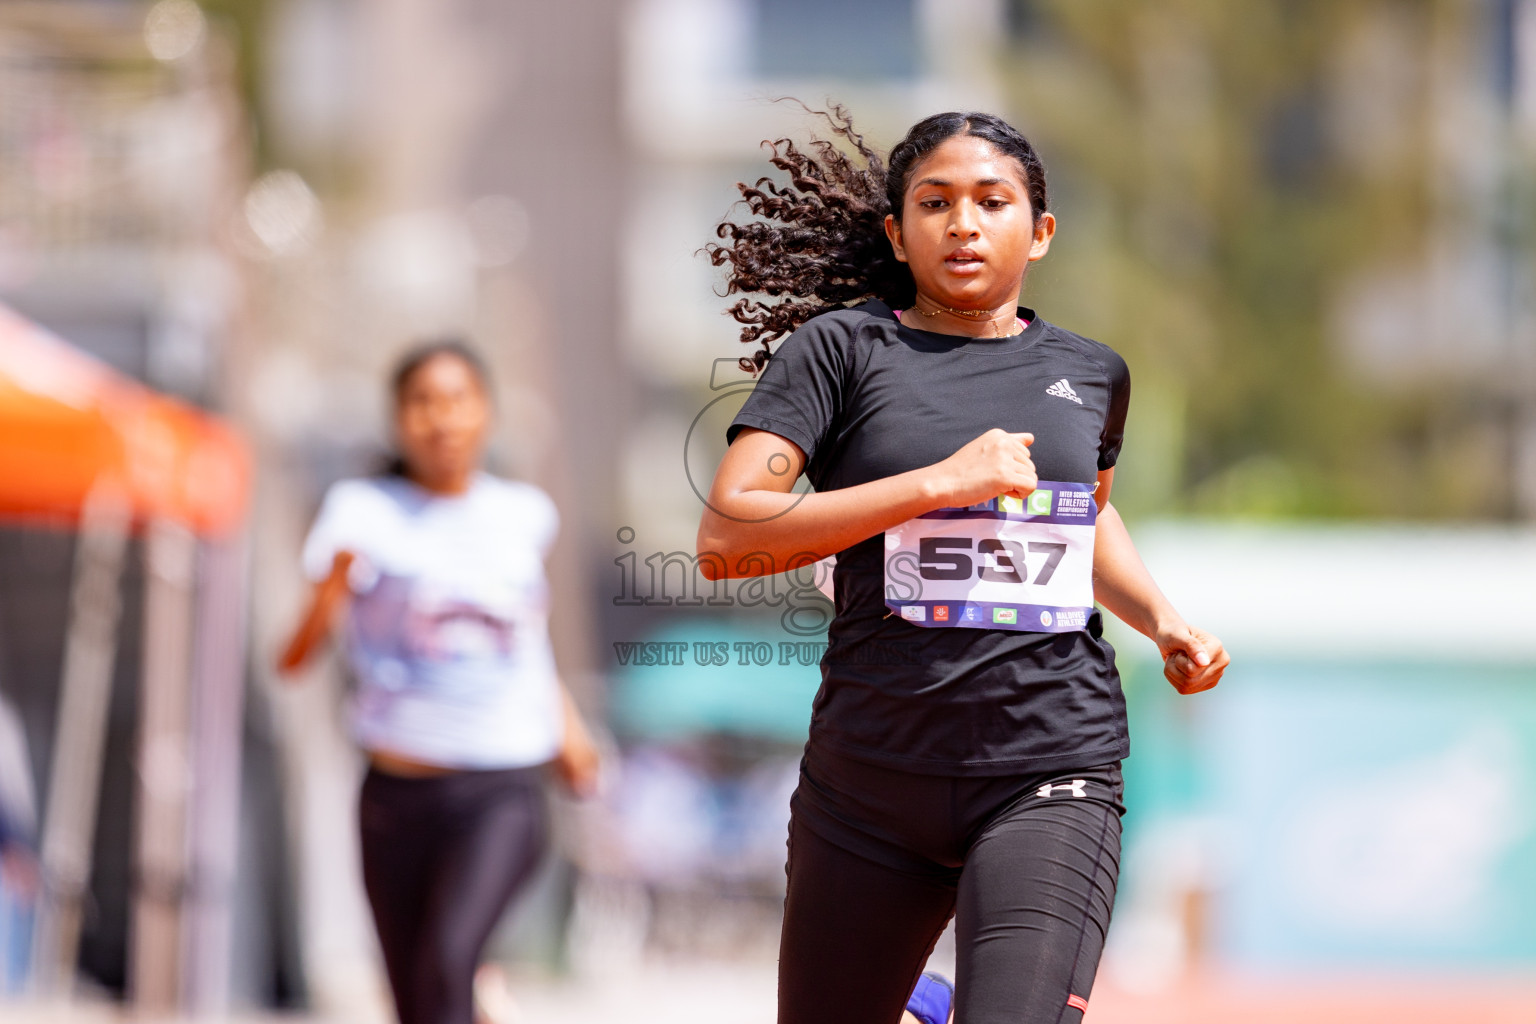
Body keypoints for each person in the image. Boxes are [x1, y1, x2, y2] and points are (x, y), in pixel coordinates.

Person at [697, 108, 1229, 1024]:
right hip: (869, 777)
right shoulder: (840, 353)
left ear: (1042, 232)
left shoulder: (1093, 373)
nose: (965, 222)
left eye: (994, 201)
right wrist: (937, 483)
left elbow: (1082, 514)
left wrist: (1162, 618)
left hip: (1049, 765)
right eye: (935, 203)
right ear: (898, 234)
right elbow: (730, 538)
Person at [278, 340, 600, 1024]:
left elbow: (526, 644)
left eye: (457, 400)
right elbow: (295, 657)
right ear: (398, 419)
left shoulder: (523, 514)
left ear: (486, 413)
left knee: (449, 960)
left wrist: (569, 733)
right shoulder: (361, 509)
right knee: (415, 1001)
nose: (442, 419)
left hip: (501, 786)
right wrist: (332, 586)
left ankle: (474, 988)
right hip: (395, 792)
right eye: (422, 403)